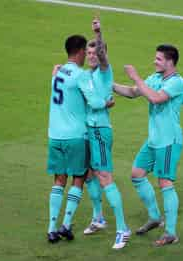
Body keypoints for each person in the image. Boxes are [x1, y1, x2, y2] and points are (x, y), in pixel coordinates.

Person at [52, 18, 130, 249]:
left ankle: (123, 229)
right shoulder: (85, 75)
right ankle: (98, 218)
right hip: (85, 132)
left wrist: (98, 34)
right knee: (87, 175)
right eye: (89, 52)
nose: (92, 55)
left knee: (104, 177)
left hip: (99, 131)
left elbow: (103, 56)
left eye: (96, 52)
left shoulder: (105, 72)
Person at [113, 44, 183, 246]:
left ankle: (170, 233)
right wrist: (108, 83)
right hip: (154, 140)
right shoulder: (155, 78)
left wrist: (135, 76)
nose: (155, 61)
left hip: (169, 141)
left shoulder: (177, 82)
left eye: (159, 59)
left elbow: (155, 98)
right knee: (137, 175)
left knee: (165, 182)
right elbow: (132, 92)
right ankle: (155, 218)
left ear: (170, 62)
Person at [46, 34, 89, 243]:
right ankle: (66, 225)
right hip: (75, 136)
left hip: (55, 135)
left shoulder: (56, 73)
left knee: (58, 180)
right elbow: (95, 101)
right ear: (80, 51)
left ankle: (51, 228)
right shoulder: (81, 75)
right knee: (78, 178)